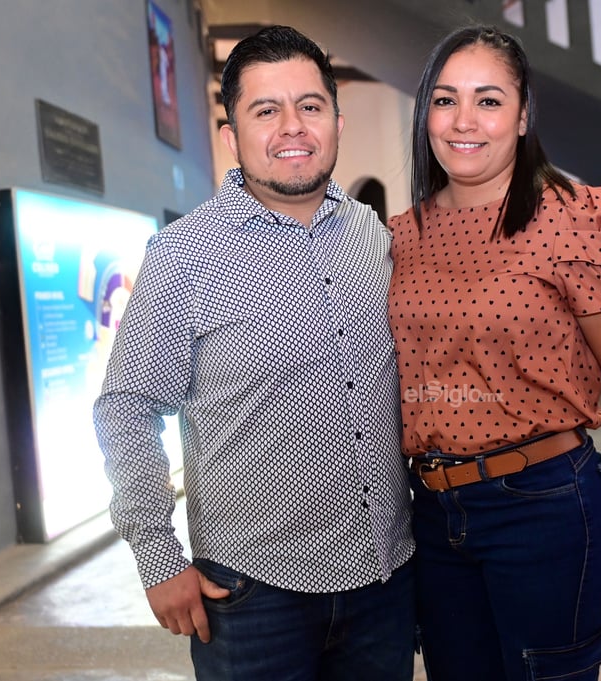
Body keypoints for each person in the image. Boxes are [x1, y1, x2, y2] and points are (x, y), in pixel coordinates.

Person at [93, 25, 415, 681]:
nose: (292, 127)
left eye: (310, 106)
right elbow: (127, 409)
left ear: (337, 120)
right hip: (252, 595)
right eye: (265, 110)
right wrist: (159, 557)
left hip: (385, 581)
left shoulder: (372, 237)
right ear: (230, 134)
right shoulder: (183, 258)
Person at [388, 25, 601, 681]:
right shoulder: (401, 237)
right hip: (433, 514)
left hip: (544, 508)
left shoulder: (574, 216)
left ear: (522, 116)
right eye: (444, 100)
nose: (464, 120)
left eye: (488, 100)